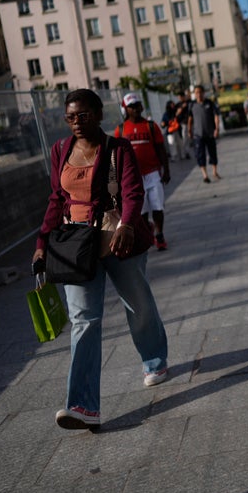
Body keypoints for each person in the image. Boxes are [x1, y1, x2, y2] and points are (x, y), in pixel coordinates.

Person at [31, 89, 170, 430]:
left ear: (98, 114)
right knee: (84, 321)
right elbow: (56, 199)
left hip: (118, 240)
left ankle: (154, 361)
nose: (77, 122)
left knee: (138, 304)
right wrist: (41, 243)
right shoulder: (60, 150)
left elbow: (132, 191)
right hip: (76, 245)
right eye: (70, 117)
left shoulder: (117, 149)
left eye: (83, 115)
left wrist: (126, 224)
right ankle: (82, 405)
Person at [115, 92, 171, 251]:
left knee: (158, 206)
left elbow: (161, 150)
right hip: (133, 178)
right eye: (131, 107)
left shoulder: (151, 126)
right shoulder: (120, 130)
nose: (136, 109)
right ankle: (148, 233)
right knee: (142, 211)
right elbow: (118, 157)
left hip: (153, 173)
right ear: (125, 109)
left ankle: (159, 235)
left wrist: (166, 170)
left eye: (137, 105)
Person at [186, 84, 221, 183]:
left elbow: (216, 116)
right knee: (200, 154)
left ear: (203, 93)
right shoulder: (192, 105)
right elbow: (190, 119)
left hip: (210, 133)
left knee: (212, 153)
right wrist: (189, 130)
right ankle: (205, 175)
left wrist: (216, 129)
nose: (198, 94)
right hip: (198, 134)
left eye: (200, 92)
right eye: (196, 92)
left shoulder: (209, 103)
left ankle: (214, 171)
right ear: (194, 94)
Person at [172, 91, 193, 159]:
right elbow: (175, 114)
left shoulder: (189, 102)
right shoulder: (178, 105)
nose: (180, 98)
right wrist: (181, 109)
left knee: (192, 137)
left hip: (192, 122)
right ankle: (186, 152)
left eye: (181, 97)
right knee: (185, 138)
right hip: (183, 123)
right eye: (179, 97)